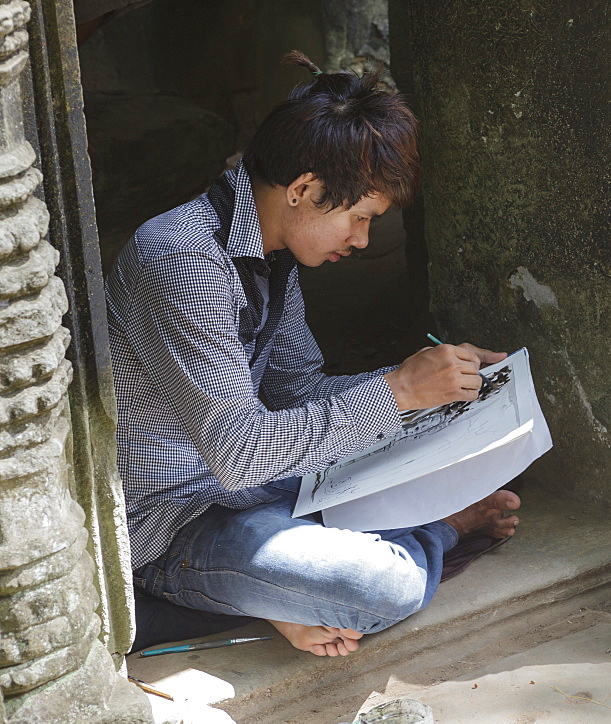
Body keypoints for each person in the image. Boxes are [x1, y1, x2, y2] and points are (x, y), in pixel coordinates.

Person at [105, 51, 521, 657]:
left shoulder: (271, 253)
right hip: (177, 521)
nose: (362, 240)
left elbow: (299, 390)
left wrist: (433, 384)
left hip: (263, 486)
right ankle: (438, 529)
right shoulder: (180, 259)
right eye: (359, 217)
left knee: (443, 435)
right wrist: (398, 393)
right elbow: (241, 453)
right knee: (384, 585)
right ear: (303, 188)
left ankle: (288, 590)